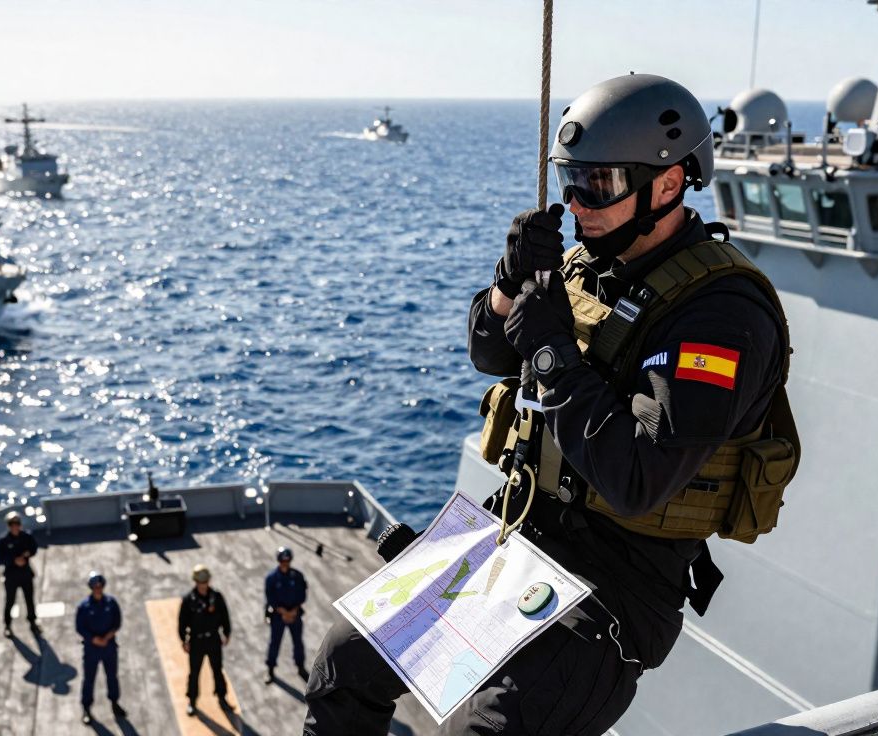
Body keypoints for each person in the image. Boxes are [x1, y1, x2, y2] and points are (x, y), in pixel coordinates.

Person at [303, 73, 797, 735]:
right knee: (344, 662)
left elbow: (637, 478)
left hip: (615, 581)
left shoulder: (721, 316)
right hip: (518, 524)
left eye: (598, 184)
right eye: (571, 180)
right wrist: (509, 288)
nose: (576, 203)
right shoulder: (588, 263)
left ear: (669, 184)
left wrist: (549, 352)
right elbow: (488, 352)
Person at [179, 564, 233, 715]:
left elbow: (225, 616)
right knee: (194, 672)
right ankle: (192, 700)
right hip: (196, 641)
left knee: (217, 670)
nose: (203, 585)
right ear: (196, 582)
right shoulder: (189, 600)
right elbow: (182, 622)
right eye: (200, 582)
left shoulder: (216, 597)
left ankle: (222, 697)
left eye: (205, 581)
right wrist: (184, 640)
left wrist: (227, 633)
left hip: (213, 639)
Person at [76, 571, 125, 725]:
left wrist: (107, 637)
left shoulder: (111, 603)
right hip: (92, 649)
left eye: (100, 585)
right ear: (91, 587)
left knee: (112, 677)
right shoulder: (84, 607)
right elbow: (80, 627)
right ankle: (86, 708)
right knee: (89, 679)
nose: (97, 588)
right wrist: (94, 639)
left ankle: (114, 703)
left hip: (109, 647)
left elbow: (117, 622)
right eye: (94, 586)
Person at [263, 546, 309, 683]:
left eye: (287, 561)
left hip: (295, 615)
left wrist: (293, 611)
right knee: (274, 643)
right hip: (278, 616)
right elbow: (270, 598)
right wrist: (283, 612)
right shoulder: (271, 578)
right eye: (283, 561)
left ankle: (300, 667)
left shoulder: (297, 576)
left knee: (298, 642)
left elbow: (302, 595)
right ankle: (270, 669)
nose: (285, 563)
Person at [0, 511, 39, 638]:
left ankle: (32, 622)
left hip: (25, 574)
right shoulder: (3, 541)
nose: (15, 526)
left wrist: (28, 553)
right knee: (10, 601)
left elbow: (34, 548)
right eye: (12, 524)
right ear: (8, 526)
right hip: (11, 576)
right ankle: (7, 625)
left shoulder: (26, 537)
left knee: (29, 600)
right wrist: (14, 560)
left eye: (17, 524)